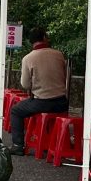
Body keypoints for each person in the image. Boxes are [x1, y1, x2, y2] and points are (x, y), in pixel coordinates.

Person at [8, 27, 69, 155]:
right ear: (44, 38)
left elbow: (25, 84)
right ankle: (50, 142)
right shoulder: (58, 54)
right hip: (62, 102)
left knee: (15, 111)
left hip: (42, 103)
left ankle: (18, 145)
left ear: (31, 41)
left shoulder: (28, 58)